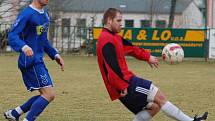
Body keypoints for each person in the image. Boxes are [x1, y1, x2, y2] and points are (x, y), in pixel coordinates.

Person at [96, 8, 208, 121]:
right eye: (119, 21)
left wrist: (147, 57)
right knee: (160, 97)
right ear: (109, 20)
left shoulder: (115, 37)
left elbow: (132, 49)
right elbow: (111, 66)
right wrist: (121, 85)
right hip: (125, 83)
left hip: (124, 83)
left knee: (154, 107)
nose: (122, 24)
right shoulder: (106, 39)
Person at [4, 0, 64, 121]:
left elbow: (43, 40)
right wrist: (24, 46)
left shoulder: (45, 15)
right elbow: (12, 35)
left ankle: (15, 113)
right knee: (49, 94)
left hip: (38, 60)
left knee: (45, 95)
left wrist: (55, 54)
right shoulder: (27, 14)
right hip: (29, 61)